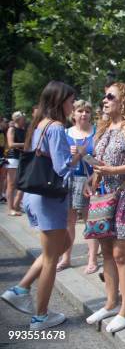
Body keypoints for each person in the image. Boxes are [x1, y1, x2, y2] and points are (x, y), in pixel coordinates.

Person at [1, 81, 77, 330]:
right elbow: (62, 168)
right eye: (70, 100)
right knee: (51, 259)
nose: (73, 105)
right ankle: (41, 316)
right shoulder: (56, 128)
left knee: (61, 246)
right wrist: (78, 154)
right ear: (59, 101)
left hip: (37, 196)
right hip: (49, 198)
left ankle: (20, 289)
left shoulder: (39, 126)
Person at [84, 82, 125, 333]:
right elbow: (100, 161)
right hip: (103, 193)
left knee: (122, 254)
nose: (104, 100)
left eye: (110, 96)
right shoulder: (105, 127)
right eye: (104, 95)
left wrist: (114, 171)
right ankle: (111, 303)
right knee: (106, 252)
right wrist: (92, 179)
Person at [57, 99, 98, 273]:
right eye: (80, 111)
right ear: (73, 114)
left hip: (90, 180)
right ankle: (66, 257)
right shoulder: (65, 133)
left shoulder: (96, 133)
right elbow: (59, 158)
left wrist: (86, 155)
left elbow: (101, 160)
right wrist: (70, 154)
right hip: (69, 179)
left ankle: (92, 259)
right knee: (69, 221)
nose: (84, 114)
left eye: (87, 111)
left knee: (91, 221)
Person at [6, 111, 27, 216]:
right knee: (11, 184)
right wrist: (25, 144)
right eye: (23, 118)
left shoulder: (23, 130)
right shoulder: (12, 129)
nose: (25, 120)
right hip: (13, 158)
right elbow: (10, 144)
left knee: (21, 183)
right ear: (18, 119)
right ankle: (10, 208)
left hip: (22, 157)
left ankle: (17, 205)